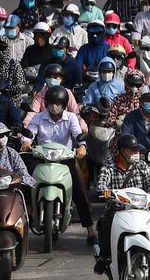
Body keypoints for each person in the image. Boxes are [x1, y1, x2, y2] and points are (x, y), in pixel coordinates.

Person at [94, 134, 150, 280]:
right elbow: (101, 183)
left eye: (136, 150)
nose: (136, 153)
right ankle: (104, 257)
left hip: (141, 211)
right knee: (104, 225)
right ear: (122, 151)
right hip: (117, 210)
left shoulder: (141, 166)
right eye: (132, 150)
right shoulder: (109, 166)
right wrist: (105, 191)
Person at [21, 85, 96, 243]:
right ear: (46, 103)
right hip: (42, 158)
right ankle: (27, 216)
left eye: (59, 103)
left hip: (65, 158)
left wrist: (82, 146)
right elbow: (30, 132)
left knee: (79, 189)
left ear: (64, 105)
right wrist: (26, 142)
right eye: (51, 103)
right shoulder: (38, 117)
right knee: (25, 180)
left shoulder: (71, 118)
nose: (55, 107)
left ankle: (90, 231)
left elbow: (78, 134)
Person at [25, 63, 85, 130]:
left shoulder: (67, 93)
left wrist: (81, 123)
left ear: (62, 79)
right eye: (49, 77)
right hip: (45, 129)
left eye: (55, 77)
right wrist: (26, 126)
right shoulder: (40, 95)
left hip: (65, 128)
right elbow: (33, 113)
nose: (52, 80)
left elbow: (75, 111)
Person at [0, 122, 35, 186]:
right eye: (1, 135)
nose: (5, 137)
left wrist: (17, 178)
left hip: (9, 190)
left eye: (7, 134)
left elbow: (24, 174)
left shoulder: (12, 153)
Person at [0, 37, 26, 107]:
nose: (0, 52)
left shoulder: (14, 64)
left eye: (2, 48)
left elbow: (21, 85)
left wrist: (6, 89)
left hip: (12, 101)